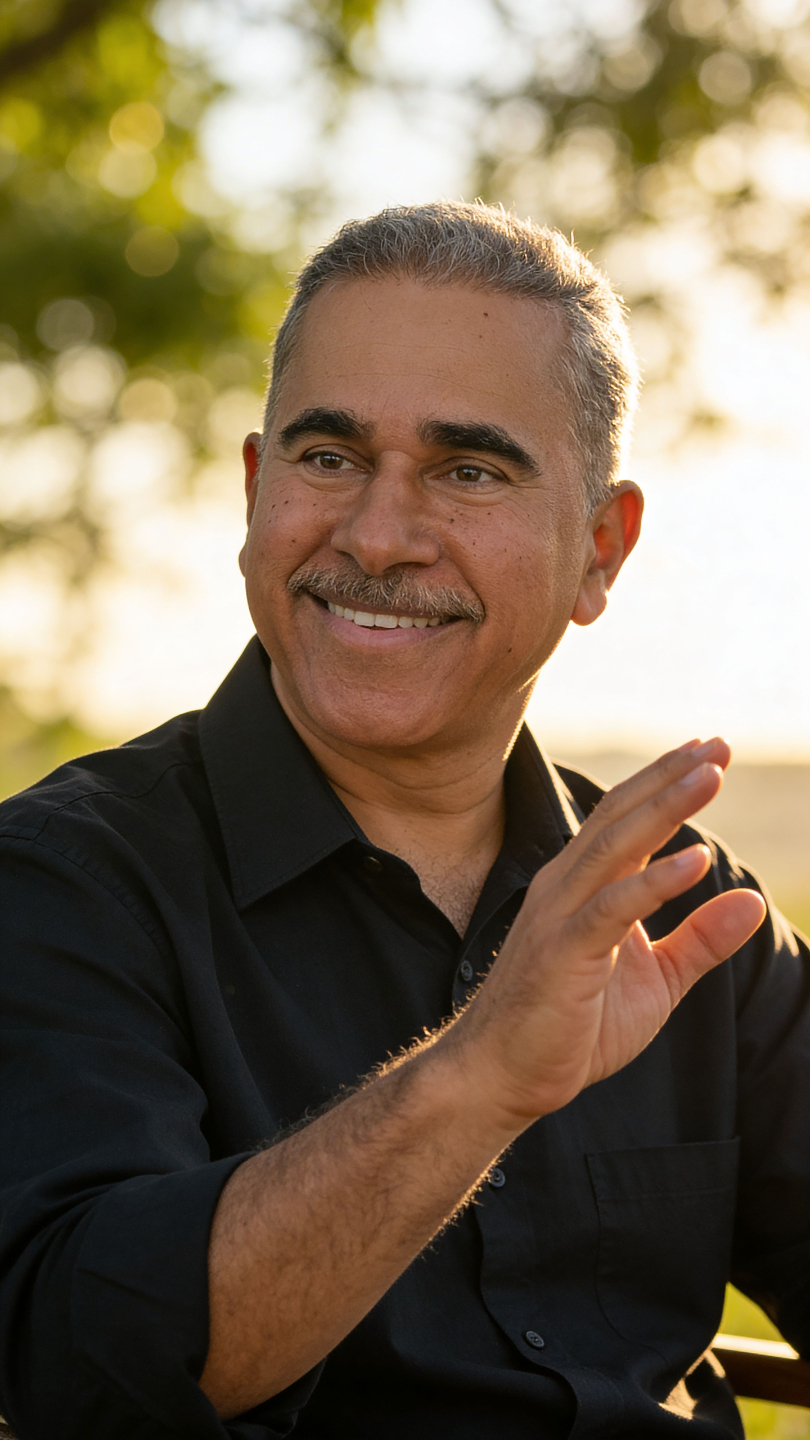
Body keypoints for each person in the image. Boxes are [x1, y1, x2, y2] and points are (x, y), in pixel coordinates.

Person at [0, 201, 807, 1440]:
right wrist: (477, 1078)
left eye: (468, 470)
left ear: (601, 548)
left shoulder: (695, 916)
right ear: (257, 492)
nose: (377, 538)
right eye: (329, 457)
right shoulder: (63, 883)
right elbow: (81, 1367)